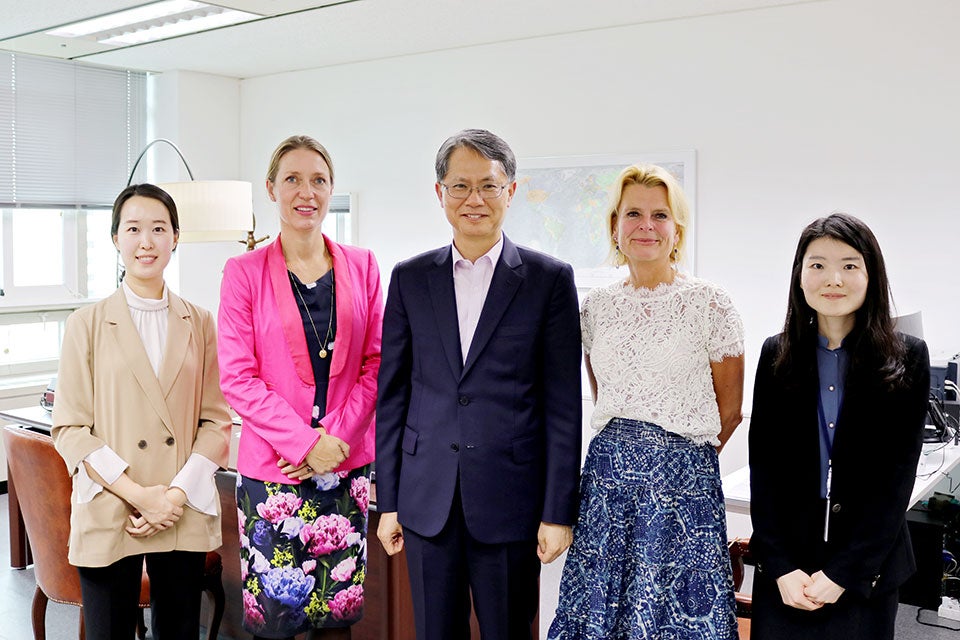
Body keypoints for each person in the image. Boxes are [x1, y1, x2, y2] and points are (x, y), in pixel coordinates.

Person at [375, 128, 582, 640]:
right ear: (439, 192)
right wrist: (389, 501)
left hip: (510, 502)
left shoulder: (548, 279)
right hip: (427, 502)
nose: (474, 200)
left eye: (488, 186)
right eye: (460, 186)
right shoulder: (409, 278)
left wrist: (558, 512)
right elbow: (394, 395)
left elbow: (562, 406)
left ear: (511, 191)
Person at [548, 164, 745, 639]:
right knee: (602, 611)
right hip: (608, 481)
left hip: (683, 486)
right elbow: (605, 394)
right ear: (615, 225)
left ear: (677, 229)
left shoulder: (710, 303)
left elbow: (732, 408)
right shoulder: (596, 306)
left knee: (674, 617)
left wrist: (677, 462)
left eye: (660, 215)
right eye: (633, 213)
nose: (646, 225)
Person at [218, 135, 383, 640]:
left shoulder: (363, 265)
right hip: (274, 476)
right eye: (292, 179)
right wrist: (306, 443)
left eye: (318, 180)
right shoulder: (243, 273)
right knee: (277, 620)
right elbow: (237, 378)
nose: (305, 192)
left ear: (331, 190)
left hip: (344, 467)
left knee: (337, 618)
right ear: (272, 189)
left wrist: (330, 442)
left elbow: (378, 364)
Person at [52, 183, 233, 640]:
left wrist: (170, 497)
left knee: (178, 632)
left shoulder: (200, 321)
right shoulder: (86, 324)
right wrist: (139, 493)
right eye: (133, 229)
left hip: (181, 506)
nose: (146, 241)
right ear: (116, 239)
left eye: (158, 228)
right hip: (112, 502)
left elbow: (215, 421)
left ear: (176, 237)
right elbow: (71, 428)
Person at [748, 213, 930, 639]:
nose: (834, 279)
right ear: (800, 276)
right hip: (788, 570)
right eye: (818, 265)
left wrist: (844, 572)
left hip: (866, 565)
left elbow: (896, 481)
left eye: (849, 265)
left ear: (871, 275)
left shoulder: (906, 358)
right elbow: (766, 470)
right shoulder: (777, 355)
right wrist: (780, 565)